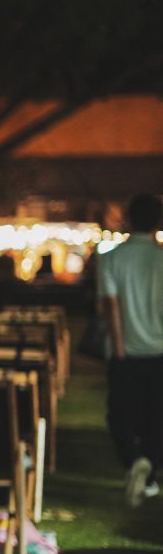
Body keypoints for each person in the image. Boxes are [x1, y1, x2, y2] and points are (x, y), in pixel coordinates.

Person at [97, 193, 163, 507]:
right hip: (160, 351)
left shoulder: (112, 258)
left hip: (126, 353)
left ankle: (135, 460)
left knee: (120, 415)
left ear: (129, 219)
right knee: (156, 416)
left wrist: (120, 351)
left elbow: (111, 307)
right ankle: (147, 470)